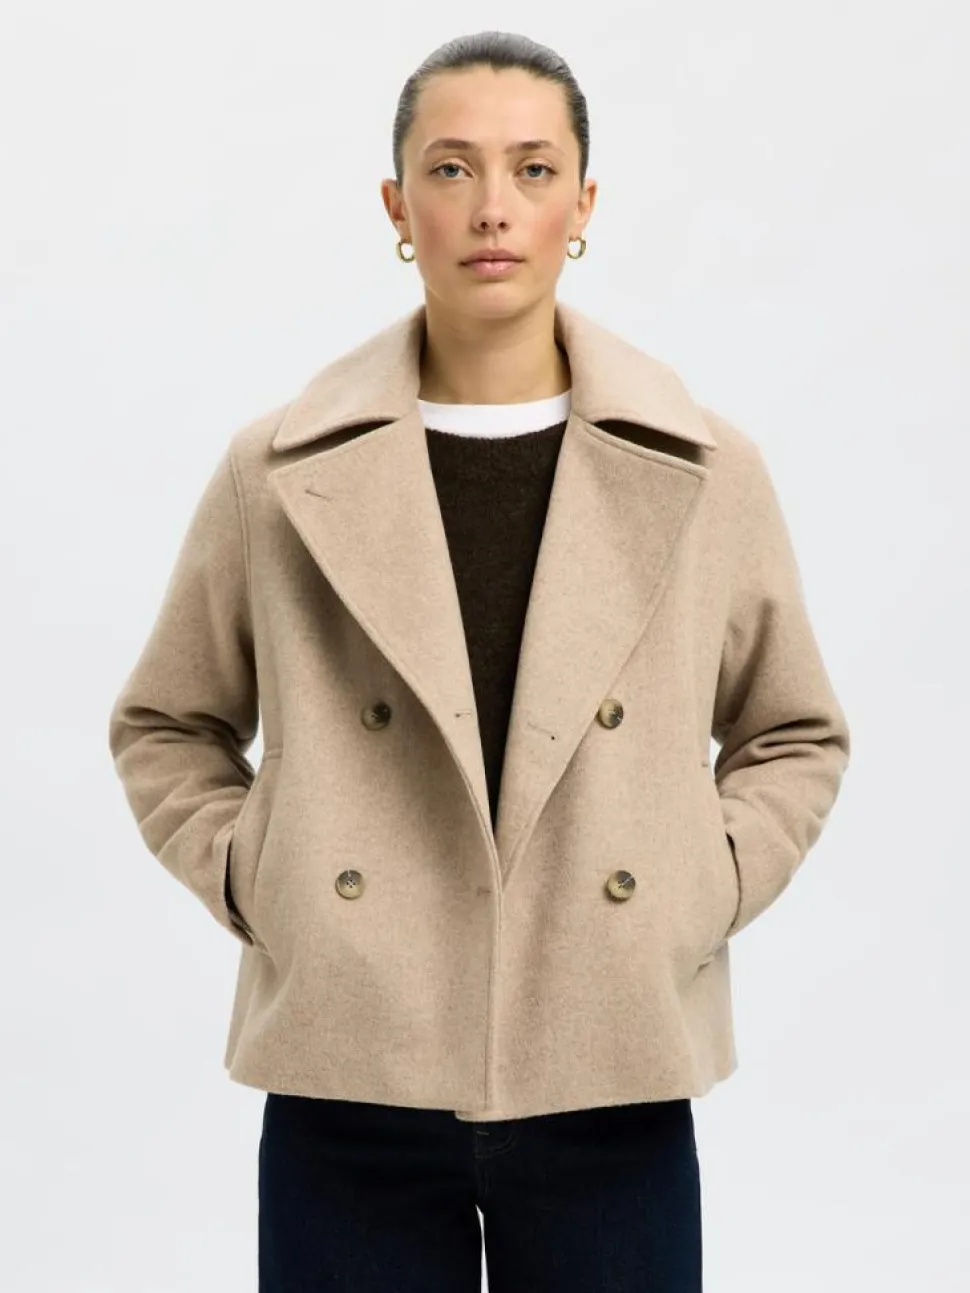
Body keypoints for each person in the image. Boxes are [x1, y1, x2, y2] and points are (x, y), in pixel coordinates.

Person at [107, 29, 852, 1292]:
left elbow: (792, 730)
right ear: (396, 206)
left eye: (532, 169)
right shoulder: (277, 469)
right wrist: (259, 876)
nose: (492, 207)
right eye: (450, 169)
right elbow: (167, 722)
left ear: (583, 205)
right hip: (349, 1064)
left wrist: (702, 883)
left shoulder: (704, 466)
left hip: (611, 1059)